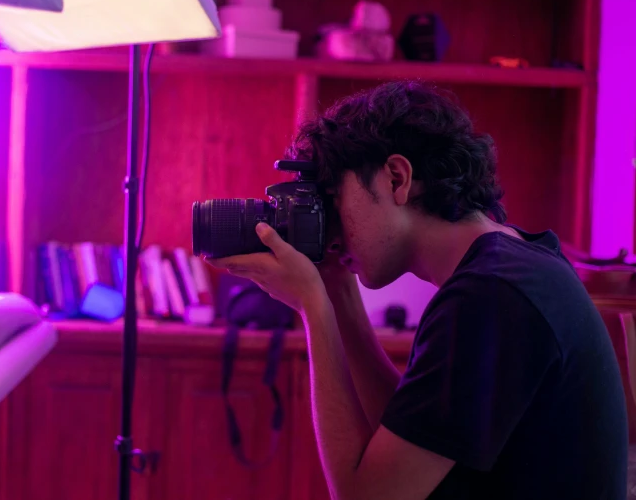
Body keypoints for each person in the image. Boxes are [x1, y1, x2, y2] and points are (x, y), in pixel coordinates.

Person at [206, 81, 627, 499]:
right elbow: (408, 437)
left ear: (396, 178)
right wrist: (337, 294)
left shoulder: (491, 296)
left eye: (332, 201)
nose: (328, 232)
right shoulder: (513, 264)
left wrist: (312, 308)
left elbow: (364, 497)